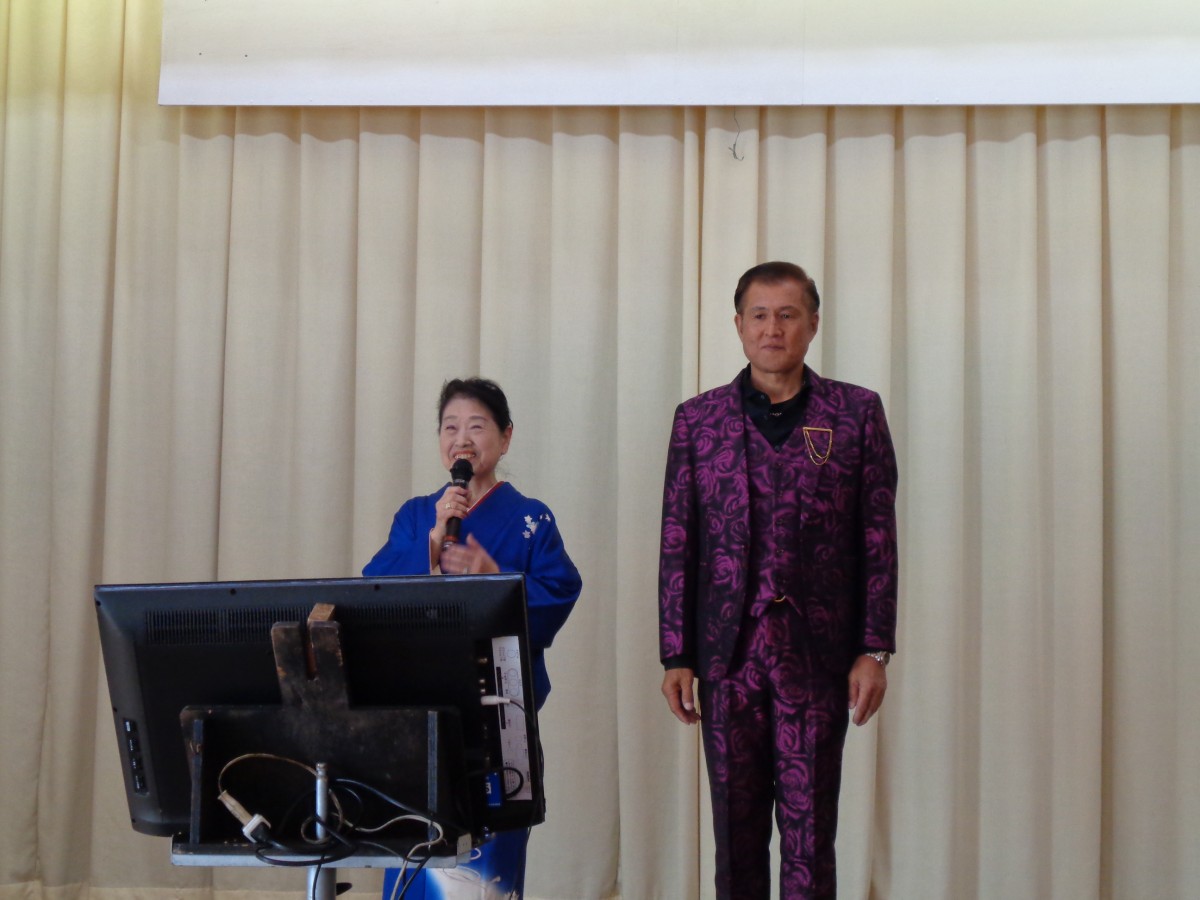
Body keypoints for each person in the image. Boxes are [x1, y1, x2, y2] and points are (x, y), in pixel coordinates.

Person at [658, 262, 898, 899]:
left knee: (810, 837)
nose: (773, 328)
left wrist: (874, 649)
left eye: (787, 315)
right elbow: (678, 540)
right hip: (727, 656)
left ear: (812, 325)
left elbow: (878, 540)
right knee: (734, 839)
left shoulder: (857, 413)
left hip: (819, 657)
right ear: (738, 325)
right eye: (759, 315)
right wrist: (676, 654)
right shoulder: (697, 421)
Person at [364, 377, 582, 900]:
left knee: (489, 871)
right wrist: (431, 542)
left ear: (505, 438)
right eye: (450, 427)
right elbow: (373, 592)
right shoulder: (417, 516)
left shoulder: (531, 519)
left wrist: (495, 576)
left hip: (501, 717)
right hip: (420, 716)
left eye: (477, 427)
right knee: (415, 854)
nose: (461, 439)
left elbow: (560, 592)